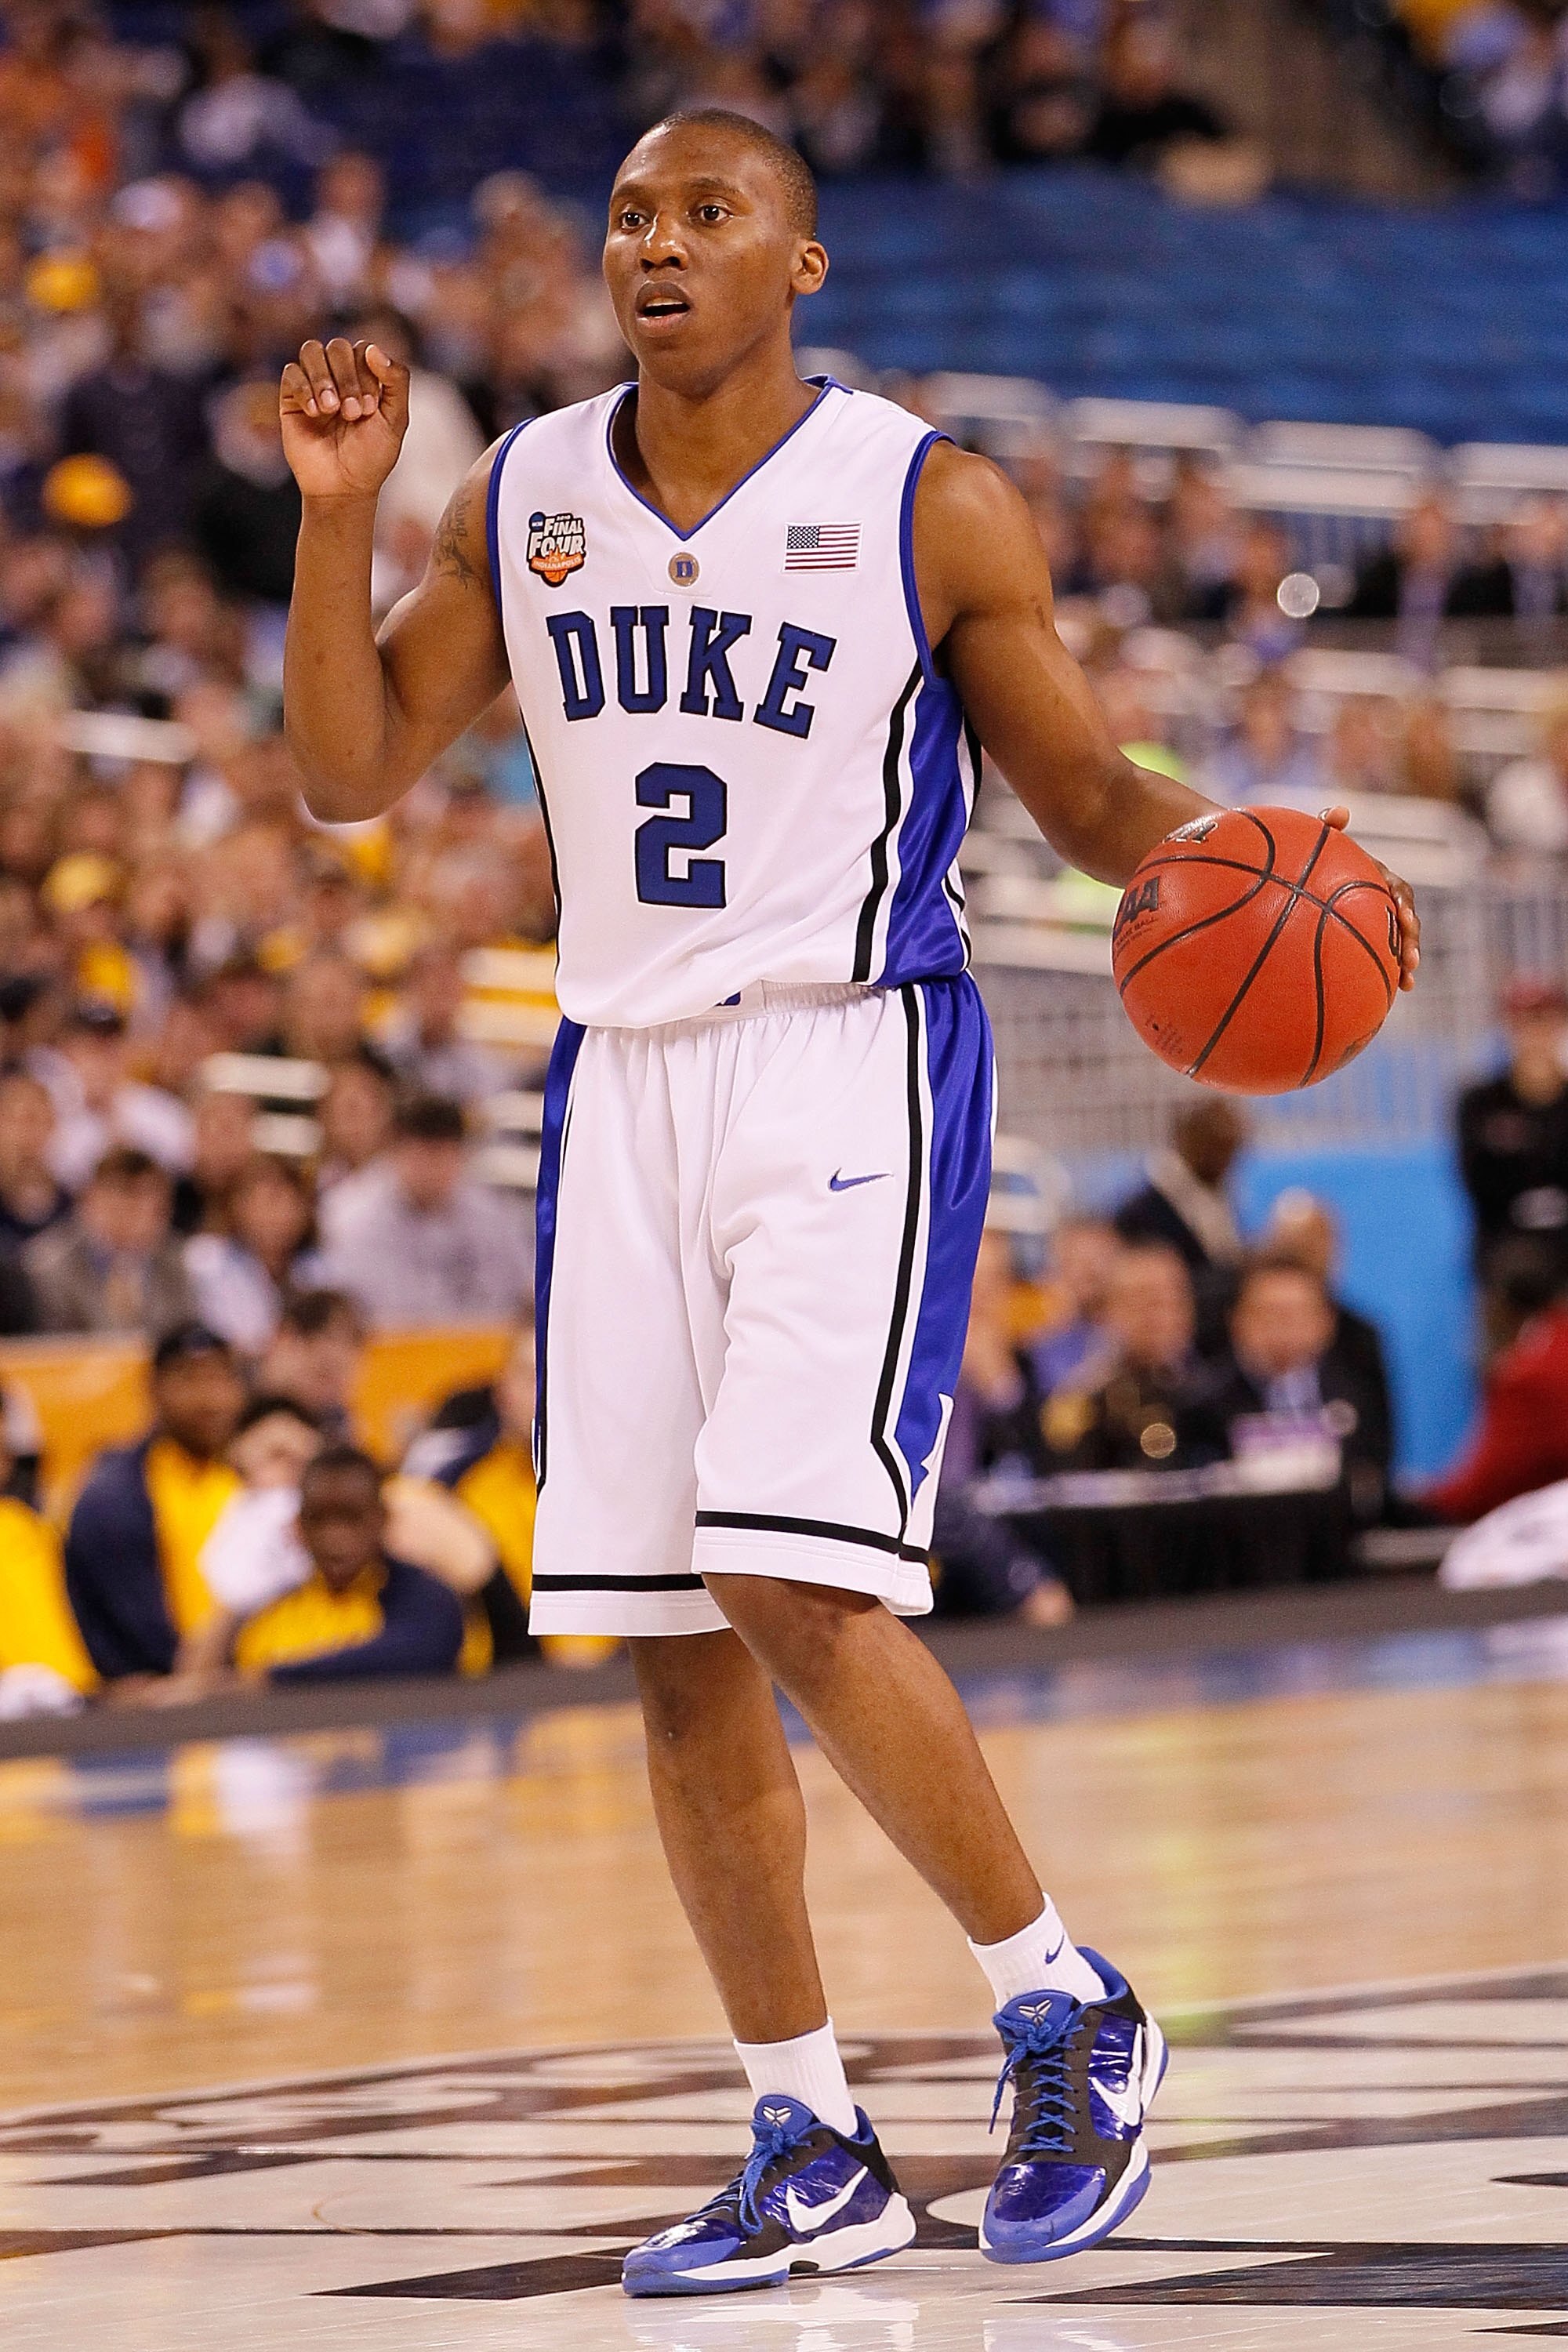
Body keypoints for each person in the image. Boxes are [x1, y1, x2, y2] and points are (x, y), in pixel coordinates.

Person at [278, 107, 1419, 2292]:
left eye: (708, 214)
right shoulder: (522, 494)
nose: (658, 245)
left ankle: (1061, 1999)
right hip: (619, 1078)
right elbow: (347, 775)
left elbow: (1080, 787)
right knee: (678, 1650)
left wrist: (1249, 857)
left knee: (796, 1578)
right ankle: (804, 2131)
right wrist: (339, 524)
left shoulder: (922, 498)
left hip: (849, 1051)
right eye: (631, 216)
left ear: (801, 262)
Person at [64, 1323, 245, 1688]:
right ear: (154, 1388)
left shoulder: (247, 1473)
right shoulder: (114, 1494)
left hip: (246, 1684)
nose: (209, 1399)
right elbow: (130, 1628)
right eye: (189, 1380)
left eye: (221, 1379)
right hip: (157, 1699)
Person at [932, 1229, 1074, 1624]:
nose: (982, 1298)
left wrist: (1001, 1388)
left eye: (994, 1282)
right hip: (942, 1520)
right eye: (973, 1280)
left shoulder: (1028, 1361)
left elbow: (1041, 1459)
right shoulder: (920, 1364)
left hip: (1009, 1516)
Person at [232, 1446, 466, 1686]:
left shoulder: (427, 1598)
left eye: (352, 1517)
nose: (334, 1537)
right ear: (298, 1527)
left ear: (383, 1518)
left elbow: (422, 1651)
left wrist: (276, 1677)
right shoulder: (267, 1619)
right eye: (318, 1519)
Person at [318, 1093, 532, 1328]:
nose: (433, 1169)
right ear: (395, 1151)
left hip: (484, 1348)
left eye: (444, 1154)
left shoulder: (488, 1212)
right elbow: (364, 1316)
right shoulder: (352, 1216)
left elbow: (525, 1292)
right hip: (389, 1352)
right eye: (424, 1154)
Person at [1214, 1251, 1392, 1526]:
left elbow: (1374, 1472)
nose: (1281, 1328)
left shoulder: (1359, 1394)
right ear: (1237, 1321)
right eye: (1268, 1313)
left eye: (1295, 1314)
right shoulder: (1206, 1403)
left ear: (1327, 1322)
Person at [1041, 1241, 1228, 1472]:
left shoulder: (1221, 1390)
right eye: (1144, 1301)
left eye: (1172, 1299)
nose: (1160, 1315)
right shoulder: (1082, 1401)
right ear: (1108, 1310)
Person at [1424, 1269, 1568, 1523]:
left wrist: (1415, 1503)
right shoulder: (1553, 1348)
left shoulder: (1528, 1378)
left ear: (1500, 1306)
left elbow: (1480, 1491)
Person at [1457, 978, 1568, 1295]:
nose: (1536, 1035)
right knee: (1519, 1270)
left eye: (1545, 1021)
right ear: (1509, 1028)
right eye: (1526, 1023)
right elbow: (1480, 1186)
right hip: (1505, 1245)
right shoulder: (1480, 1102)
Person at [24, 1145, 196, 1337]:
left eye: (142, 1198)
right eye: (120, 1195)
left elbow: (184, 1337)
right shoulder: (48, 1264)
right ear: (89, 1200)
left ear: (164, 1208)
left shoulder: (184, 1262)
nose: (130, 1211)